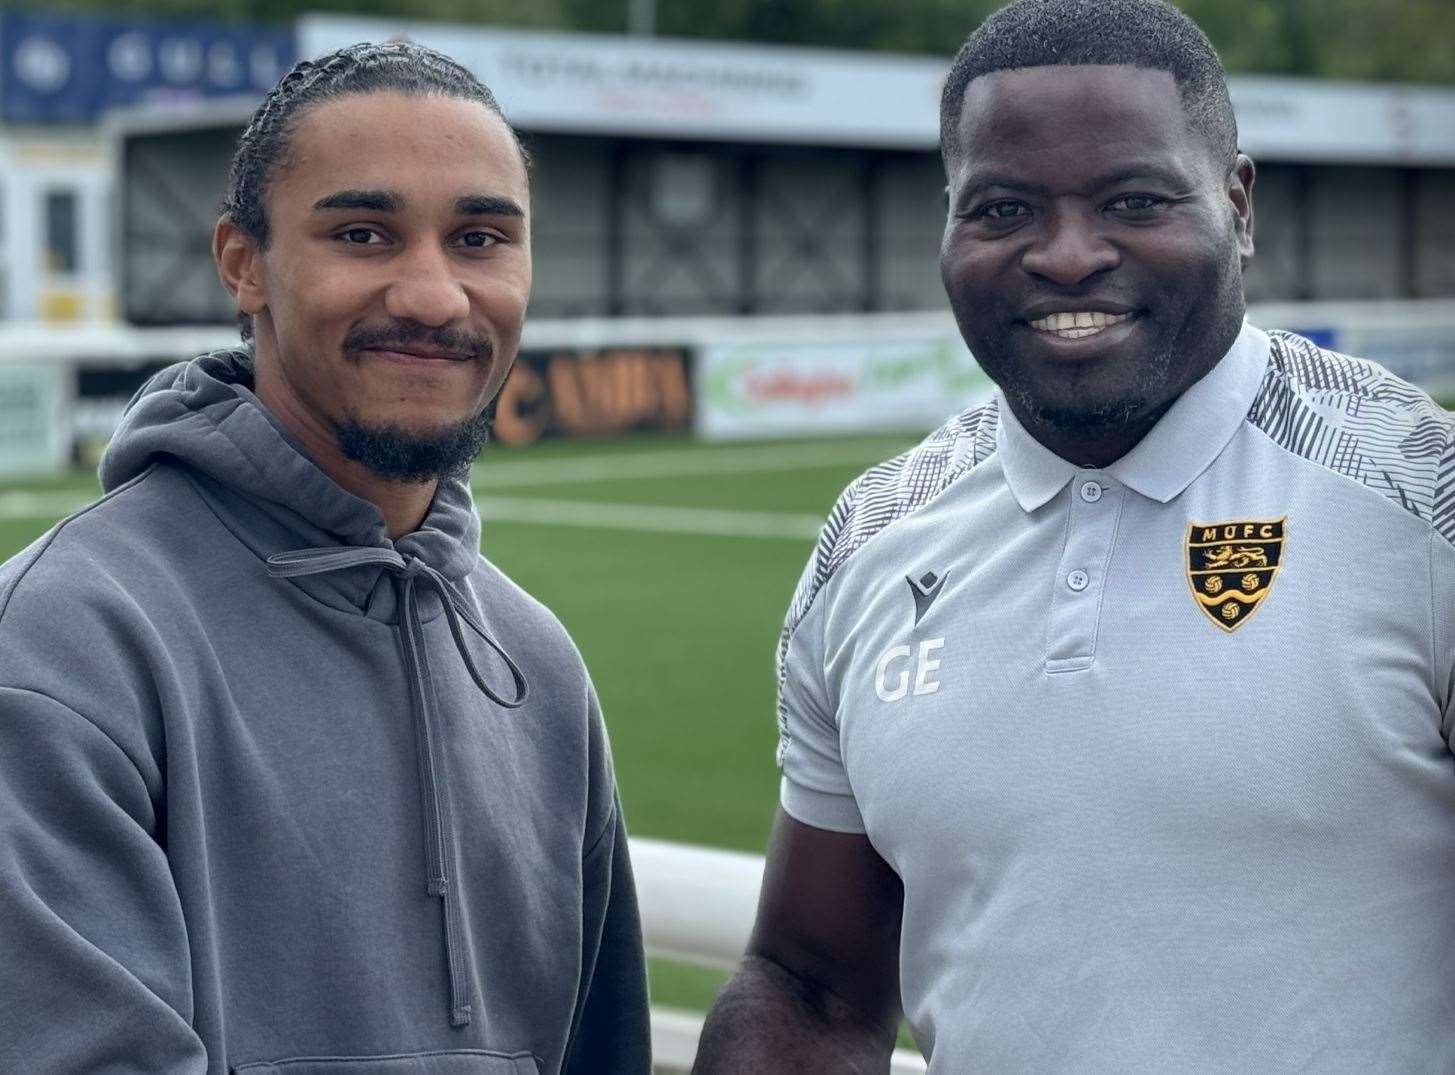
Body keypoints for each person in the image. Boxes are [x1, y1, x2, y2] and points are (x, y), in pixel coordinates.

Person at [695, 0, 1455, 1070]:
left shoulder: (1426, 498)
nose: (1065, 255)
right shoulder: (870, 539)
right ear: (948, 224)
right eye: (1003, 209)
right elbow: (812, 987)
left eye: (1132, 200)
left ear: (1237, 205)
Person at [0, 43, 650, 1074]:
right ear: (242, 262)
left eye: (479, 237)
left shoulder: (540, 666)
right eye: (363, 233)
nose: (437, 295)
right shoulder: (63, 645)